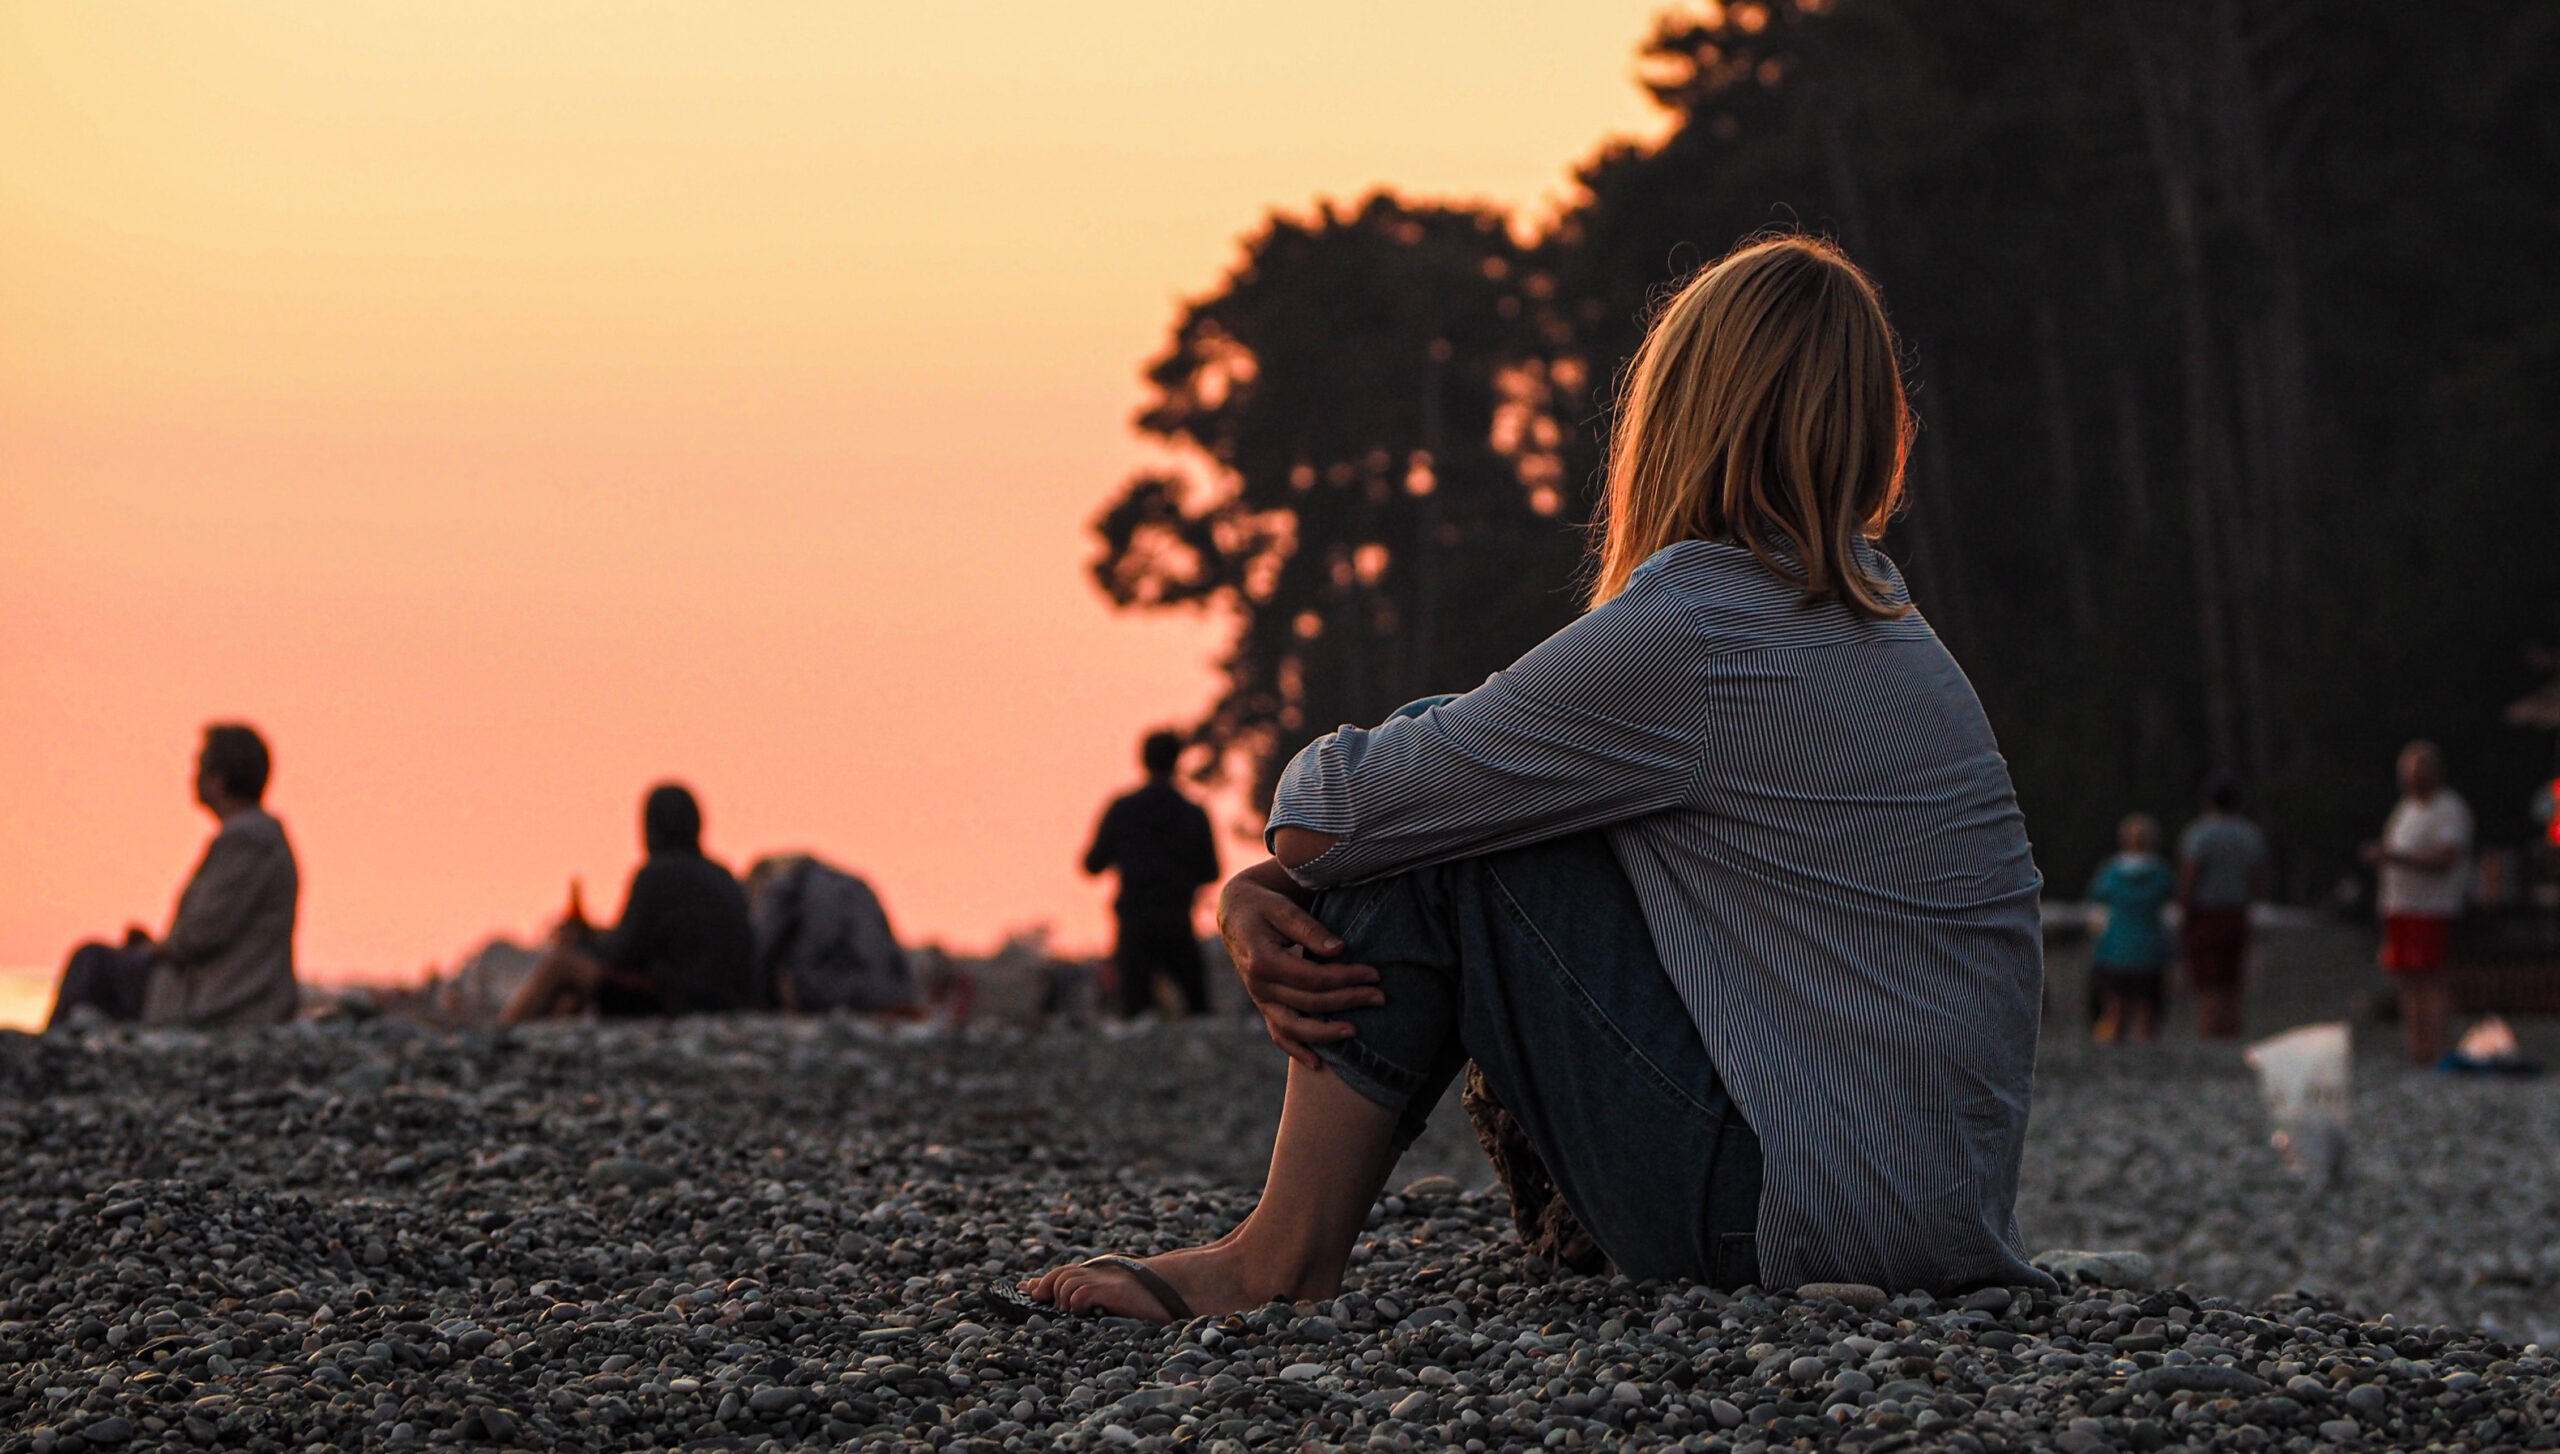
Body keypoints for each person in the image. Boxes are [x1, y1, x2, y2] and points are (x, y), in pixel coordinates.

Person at [1025, 235, 2053, 1322]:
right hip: (1940, 1225)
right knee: (1466, 785)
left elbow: (1340, 817)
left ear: (1676, 414)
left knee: (1447, 841)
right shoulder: (1887, 629)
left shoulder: (1699, 619)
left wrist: (1253, 885)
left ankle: (1273, 1258)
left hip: (1787, 1221)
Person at [49, 723, 300, 1029]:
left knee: (92, 961)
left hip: (222, 999)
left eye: (199, 768)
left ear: (219, 779)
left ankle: (44, 1054)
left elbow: (199, 935)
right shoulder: (259, 837)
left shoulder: (246, 839)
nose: (191, 778)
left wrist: (156, 949)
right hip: (225, 991)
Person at [501, 783, 756, 1023]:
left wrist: (581, 943)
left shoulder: (656, 874)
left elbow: (623, 953)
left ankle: (500, 1035)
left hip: (676, 1000)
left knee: (559, 966)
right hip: (729, 1001)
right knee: (575, 995)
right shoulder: (723, 875)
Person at [1081, 730, 1220, 1017]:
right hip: (1177, 918)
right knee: (1198, 1010)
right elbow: (1211, 871)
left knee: (1134, 1012)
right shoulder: (1192, 813)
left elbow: (1092, 864)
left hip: (1135, 920)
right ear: (1178, 761)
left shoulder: (1122, 809)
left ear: (1142, 760)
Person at [2362, 741, 2472, 1064]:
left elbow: (2447, 858)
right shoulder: (2406, 809)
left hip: (2431, 907)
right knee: (2408, 979)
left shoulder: (2448, 809)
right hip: (2401, 906)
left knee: (2431, 977)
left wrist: (2397, 857)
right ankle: (2418, 1048)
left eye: (2419, 771)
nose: (2413, 779)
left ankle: (2438, 1047)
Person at [742, 853, 916, 1012]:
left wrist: (757, 1002)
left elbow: (764, 949)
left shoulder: (787, 886)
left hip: (829, 996)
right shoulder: (855, 885)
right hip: (890, 994)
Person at [2176, 775, 2268, 1041]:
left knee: (2207, 981)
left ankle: (2209, 1035)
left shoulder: (2200, 833)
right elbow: (2259, 875)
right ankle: (2232, 1036)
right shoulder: (2250, 833)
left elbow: (2191, 874)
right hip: (2237, 912)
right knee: (2232, 980)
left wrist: (2185, 909)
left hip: (2205, 912)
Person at [2086, 814, 2175, 1044]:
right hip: (2151, 951)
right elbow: (2170, 916)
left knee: (2115, 1011)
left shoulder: (2111, 873)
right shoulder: (2161, 874)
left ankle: (2114, 1062)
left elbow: (2097, 913)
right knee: (2148, 1014)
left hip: (2114, 950)